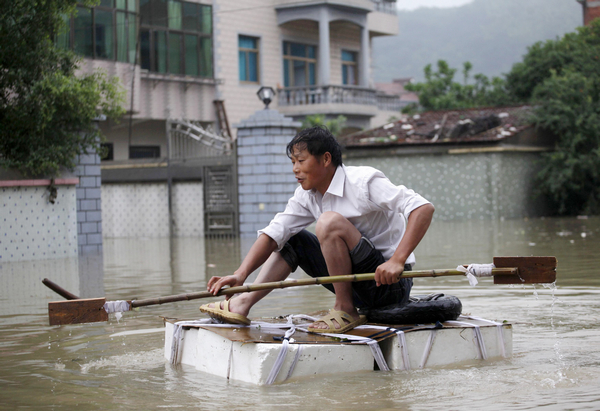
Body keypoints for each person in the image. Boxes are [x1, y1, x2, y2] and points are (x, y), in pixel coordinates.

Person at [200, 126, 435, 333]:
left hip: (388, 286)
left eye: (301, 161)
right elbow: (275, 233)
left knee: (328, 222)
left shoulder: (363, 182)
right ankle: (242, 303)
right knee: (293, 238)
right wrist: (241, 275)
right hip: (356, 285)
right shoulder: (306, 195)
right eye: (293, 162)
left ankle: (345, 310)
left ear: (325, 159)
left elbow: (422, 208)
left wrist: (397, 260)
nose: (295, 169)